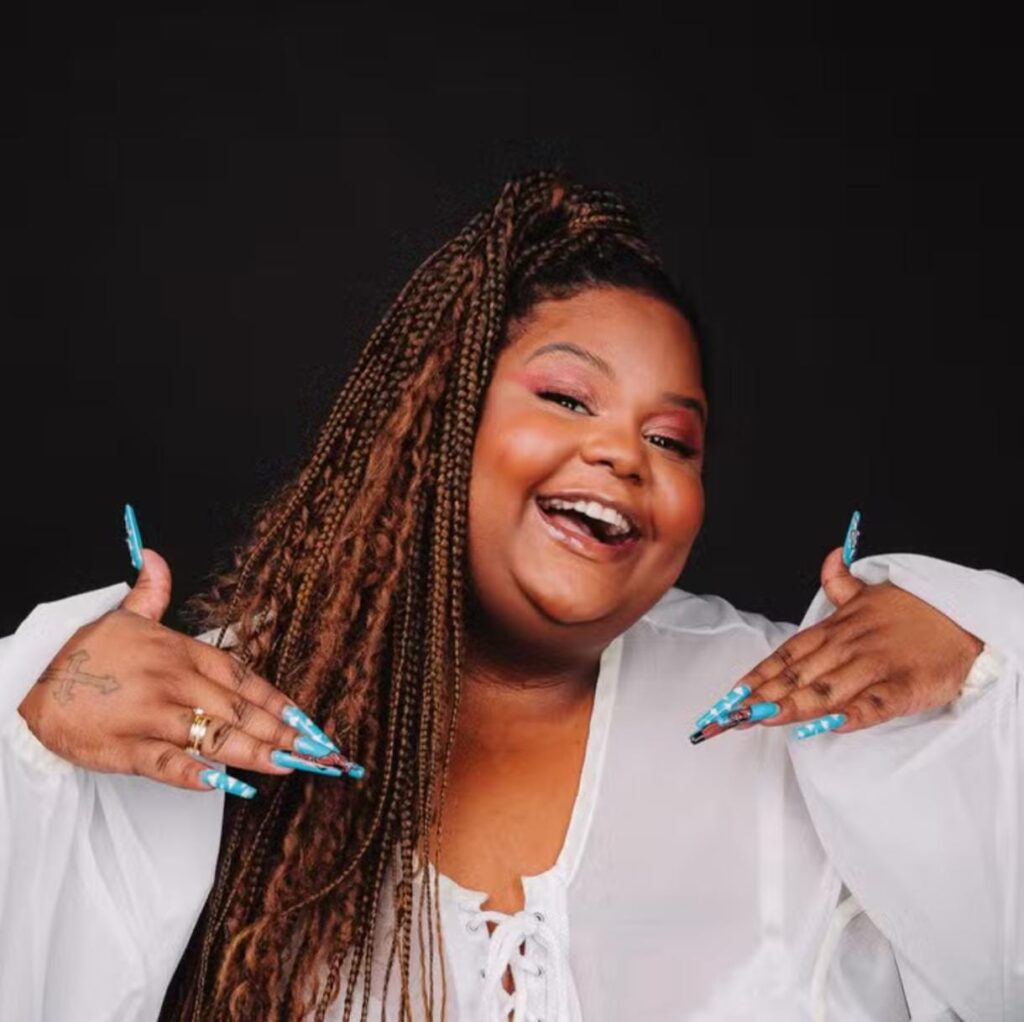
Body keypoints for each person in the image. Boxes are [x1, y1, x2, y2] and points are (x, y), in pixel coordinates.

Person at [1, 170, 1020, 1022]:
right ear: (438, 419)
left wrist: (984, 682)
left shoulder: (807, 717)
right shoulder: (211, 715)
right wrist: (34, 744)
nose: (623, 453)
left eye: (671, 440)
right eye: (568, 397)